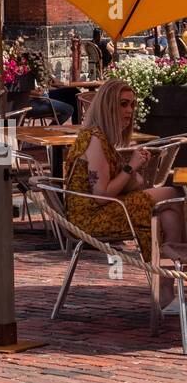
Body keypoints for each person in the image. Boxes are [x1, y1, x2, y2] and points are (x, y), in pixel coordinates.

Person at [64, 80, 183, 305]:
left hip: (107, 209)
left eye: (132, 104)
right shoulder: (95, 139)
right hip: (91, 218)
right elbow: (100, 196)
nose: (129, 110)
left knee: (170, 214)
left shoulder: (103, 139)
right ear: (108, 106)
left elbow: (125, 184)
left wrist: (133, 172)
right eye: (123, 104)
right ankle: (175, 257)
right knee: (172, 193)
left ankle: (166, 288)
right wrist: (130, 167)